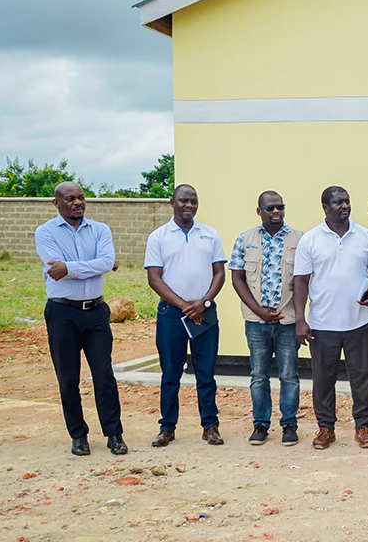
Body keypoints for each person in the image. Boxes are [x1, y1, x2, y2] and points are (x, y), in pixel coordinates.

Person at [34, 181, 127, 456]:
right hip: (62, 314)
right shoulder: (45, 232)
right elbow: (55, 268)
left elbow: (105, 261)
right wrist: (99, 265)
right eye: (70, 198)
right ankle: (78, 435)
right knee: (68, 378)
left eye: (81, 197)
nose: (77, 202)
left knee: (104, 375)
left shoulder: (100, 230)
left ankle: (114, 434)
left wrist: (72, 267)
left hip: (96, 314)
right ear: (57, 203)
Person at [293, 186, 368, 450]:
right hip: (322, 324)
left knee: (362, 377)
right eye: (338, 203)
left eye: (347, 201)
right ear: (325, 207)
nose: (344, 206)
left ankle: (363, 426)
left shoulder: (364, 237)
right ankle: (326, 428)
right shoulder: (310, 239)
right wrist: (301, 320)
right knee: (323, 379)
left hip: (360, 321)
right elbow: (300, 282)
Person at [145, 184, 227, 447]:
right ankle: (167, 427)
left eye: (193, 201)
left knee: (206, 373)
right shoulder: (158, 237)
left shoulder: (210, 235)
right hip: (172, 315)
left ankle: (210, 426)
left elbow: (219, 274)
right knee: (170, 374)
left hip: (204, 315)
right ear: (172, 202)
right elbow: (154, 279)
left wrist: (204, 302)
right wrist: (184, 305)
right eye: (183, 200)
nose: (189, 205)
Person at [229, 191, 304, 447]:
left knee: (289, 375)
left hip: (288, 320)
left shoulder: (299, 239)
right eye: (270, 208)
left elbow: (304, 282)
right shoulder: (245, 239)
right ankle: (260, 424)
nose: (276, 212)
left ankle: (289, 425)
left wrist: (302, 318)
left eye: (280, 207)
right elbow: (237, 278)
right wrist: (258, 310)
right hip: (256, 321)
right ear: (259, 210)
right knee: (259, 375)